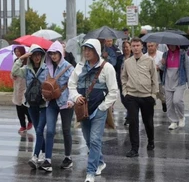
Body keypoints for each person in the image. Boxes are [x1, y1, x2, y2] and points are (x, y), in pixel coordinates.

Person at [68, 39, 118, 182]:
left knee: (95, 140)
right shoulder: (79, 67)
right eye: (85, 49)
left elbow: (114, 91)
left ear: (97, 51)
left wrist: (103, 107)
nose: (86, 52)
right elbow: (71, 85)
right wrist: (76, 97)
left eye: (90, 49)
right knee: (89, 140)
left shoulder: (107, 68)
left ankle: (90, 173)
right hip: (83, 110)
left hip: (99, 111)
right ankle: (100, 162)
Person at [11, 44, 48, 169]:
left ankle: (36, 155)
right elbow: (14, 71)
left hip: (44, 104)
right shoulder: (26, 69)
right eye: (34, 55)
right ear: (31, 57)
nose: (37, 57)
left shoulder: (47, 68)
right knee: (39, 129)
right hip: (31, 103)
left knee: (39, 130)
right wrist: (22, 57)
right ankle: (43, 153)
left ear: (42, 56)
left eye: (39, 55)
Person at [121, 37, 158, 158]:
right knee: (133, 121)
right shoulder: (127, 62)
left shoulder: (149, 60)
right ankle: (134, 148)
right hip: (132, 96)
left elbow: (154, 78)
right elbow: (124, 78)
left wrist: (153, 95)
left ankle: (151, 140)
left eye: (138, 45)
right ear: (131, 47)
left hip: (146, 96)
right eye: (133, 46)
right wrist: (125, 92)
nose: (136, 48)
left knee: (148, 122)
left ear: (142, 46)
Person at [42, 41, 74, 172]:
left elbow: (73, 86)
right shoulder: (47, 68)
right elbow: (44, 83)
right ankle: (47, 159)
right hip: (51, 102)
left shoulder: (69, 67)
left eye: (56, 53)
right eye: (51, 54)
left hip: (66, 102)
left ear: (61, 53)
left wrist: (72, 100)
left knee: (66, 130)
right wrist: (44, 94)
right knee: (49, 131)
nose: (53, 56)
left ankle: (68, 157)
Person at [161, 45, 189, 130]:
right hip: (168, 81)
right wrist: (162, 64)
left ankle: (181, 117)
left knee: (177, 100)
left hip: (179, 81)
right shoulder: (165, 54)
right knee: (169, 104)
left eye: (173, 44)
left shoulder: (182, 54)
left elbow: (187, 68)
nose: (171, 46)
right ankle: (173, 121)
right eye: (169, 44)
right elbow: (163, 68)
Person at [11, 46, 33, 132]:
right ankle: (22, 125)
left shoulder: (27, 61)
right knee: (19, 108)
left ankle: (30, 120)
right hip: (17, 86)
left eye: (18, 51)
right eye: (15, 51)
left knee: (25, 107)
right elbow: (13, 72)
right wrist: (13, 76)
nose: (17, 53)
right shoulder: (16, 61)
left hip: (25, 86)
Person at [145, 42, 167, 112]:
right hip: (149, 82)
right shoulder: (144, 56)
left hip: (159, 81)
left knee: (162, 96)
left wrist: (160, 66)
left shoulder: (161, 55)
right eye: (148, 46)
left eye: (152, 46)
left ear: (156, 46)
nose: (150, 48)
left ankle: (164, 103)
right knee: (151, 99)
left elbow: (165, 67)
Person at [117, 41, 132, 125]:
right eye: (124, 47)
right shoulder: (120, 58)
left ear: (130, 48)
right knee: (123, 100)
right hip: (121, 82)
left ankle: (129, 117)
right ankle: (132, 112)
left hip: (131, 82)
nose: (125, 49)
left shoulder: (133, 57)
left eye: (127, 47)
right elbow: (116, 68)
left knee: (129, 99)